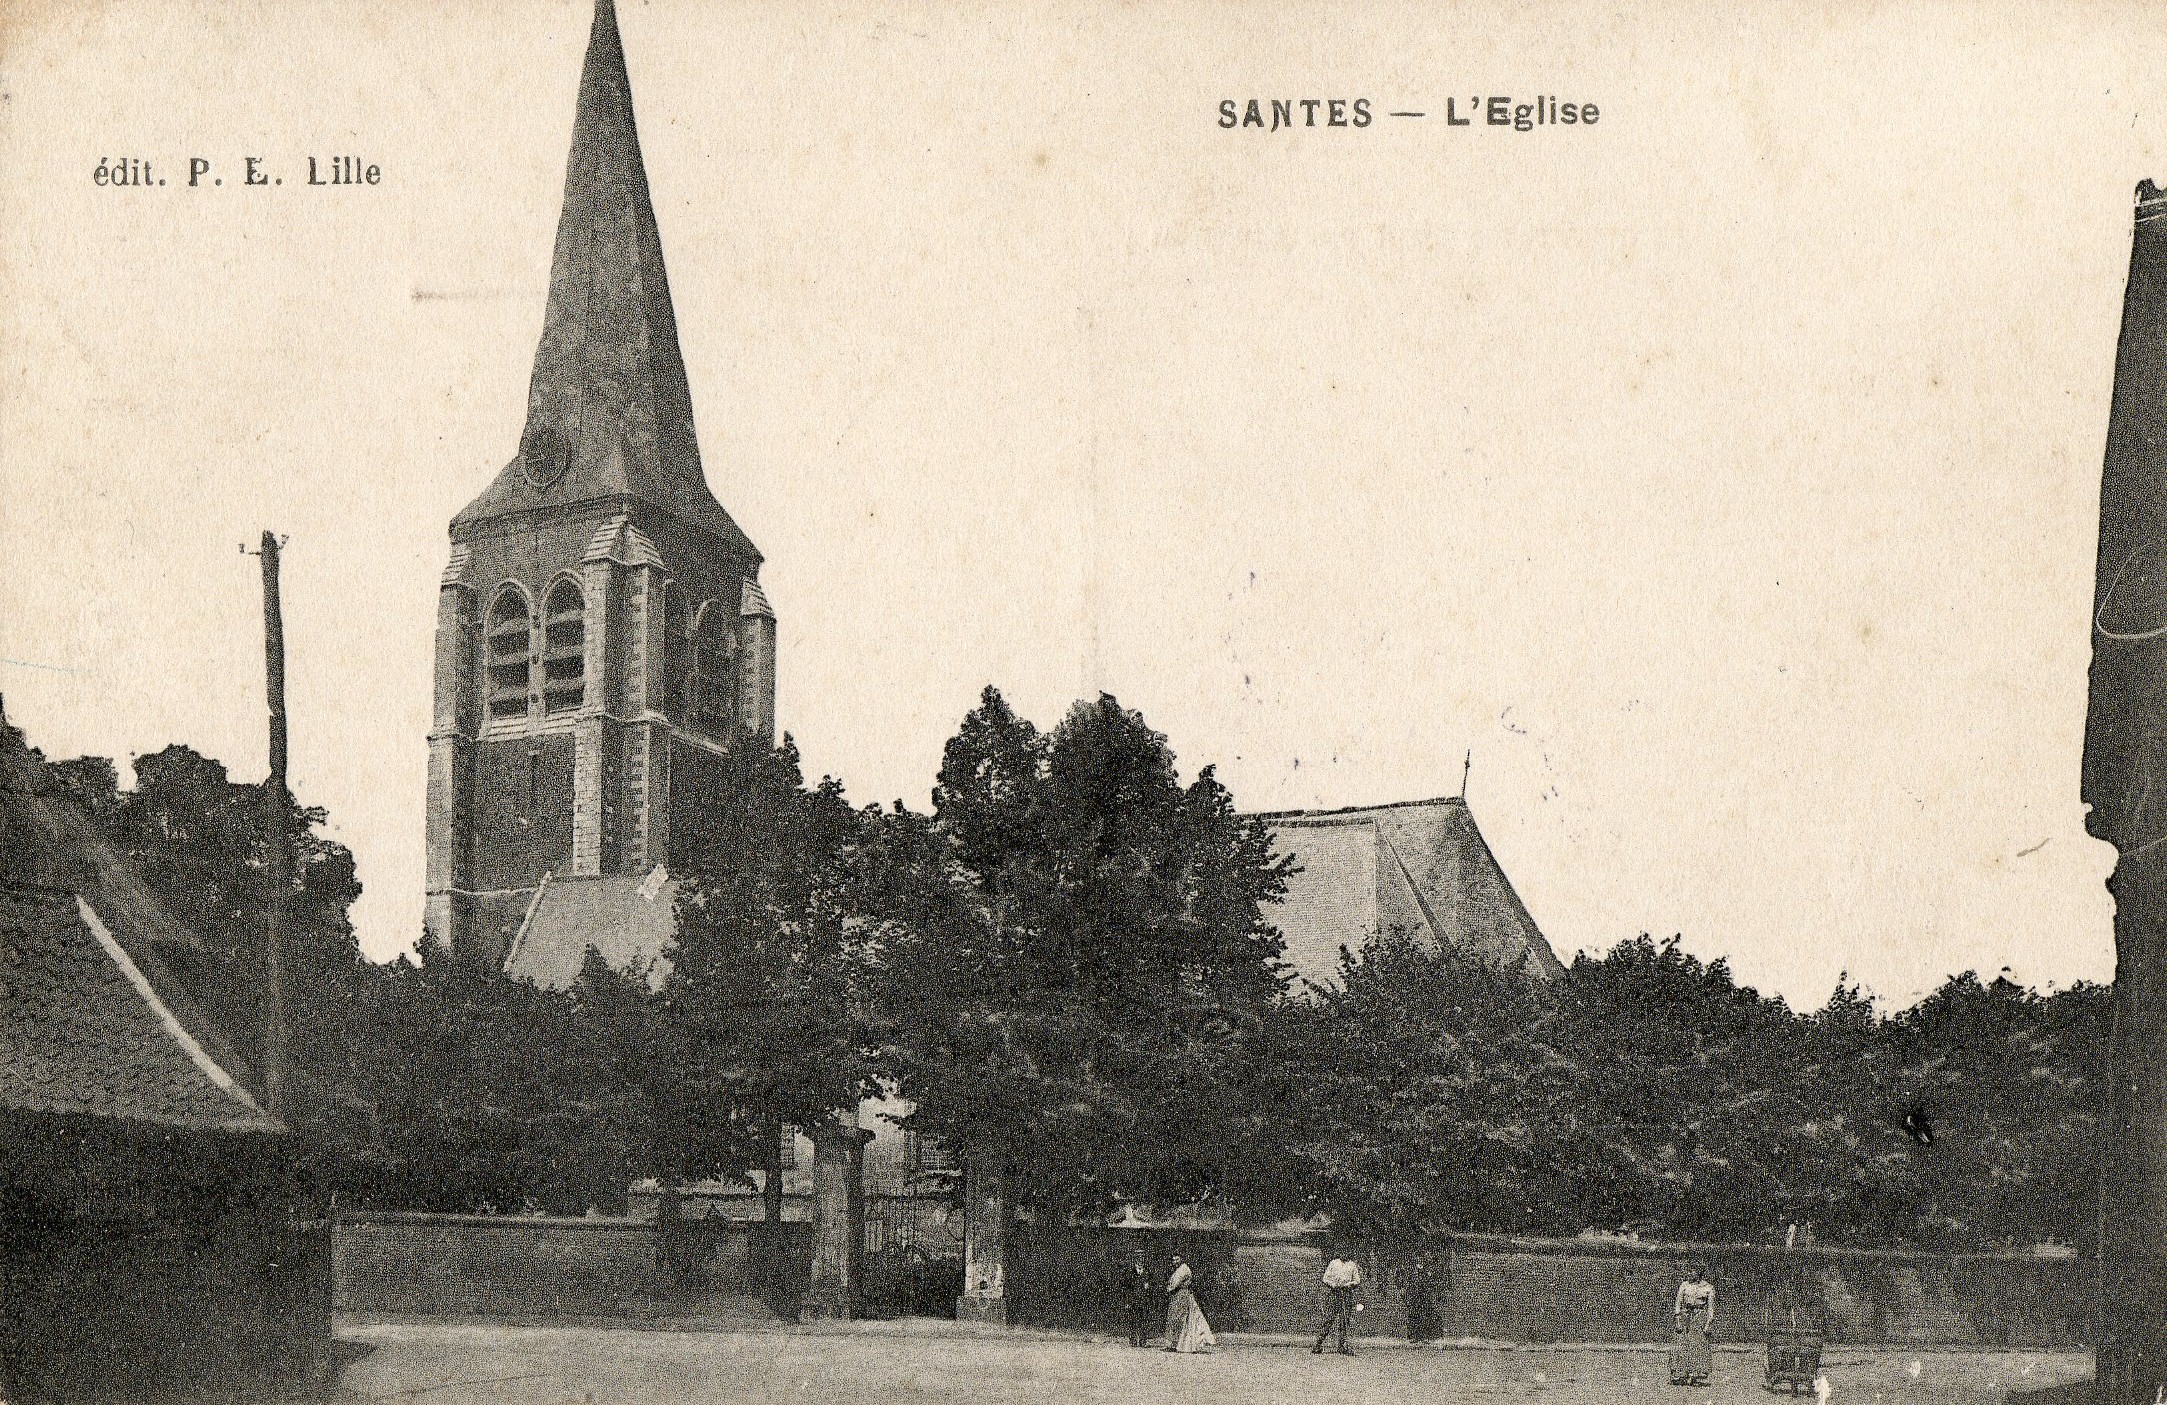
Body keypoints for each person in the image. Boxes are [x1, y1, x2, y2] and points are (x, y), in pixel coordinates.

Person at [1669, 1264, 1716, 1386]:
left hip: (1700, 1317)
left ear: (1699, 1273)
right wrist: (1678, 1319)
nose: (1689, 1273)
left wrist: (1708, 1324)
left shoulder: (1708, 1288)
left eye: (1692, 1271)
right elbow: (1678, 1304)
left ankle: (1696, 1374)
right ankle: (1680, 1373)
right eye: (1689, 1271)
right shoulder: (1684, 1285)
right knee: (1682, 1343)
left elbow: (1710, 1309)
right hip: (1685, 1315)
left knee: (1698, 1344)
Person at [1162, 1254, 1216, 1353]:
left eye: (1177, 1259)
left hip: (1183, 1296)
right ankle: (1175, 1343)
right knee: (1175, 1318)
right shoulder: (1178, 1269)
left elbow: (1174, 1284)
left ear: (1181, 1259)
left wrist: (1168, 1288)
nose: (1175, 1262)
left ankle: (1184, 1344)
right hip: (1177, 1296)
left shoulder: (1184, 1269)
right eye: (1173, 1260)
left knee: (1183, 1319)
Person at [1312, 1252, 1362, 1355]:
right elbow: (1325, 1278)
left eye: (1347, 1251)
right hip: (1334, 1294)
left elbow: (1357, 1280)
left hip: (1347, 1295)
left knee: (1344, 1321)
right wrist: (1333, 1285)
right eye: (1343, 1251)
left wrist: (1349, 1284)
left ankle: (1342, 1346)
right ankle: (1318, 1344)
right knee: (1329, 1320)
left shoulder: (1352, 1265)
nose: (1345, 1254)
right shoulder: (1333, 1263)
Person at [1122, 1247, 1156, 1347]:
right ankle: (1133, 1341)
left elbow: (1153, 1286)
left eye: (1142, 1258)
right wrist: (1127, 1302)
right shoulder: (1129, 1272)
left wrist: (1149, 1287)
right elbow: (1126, 1288)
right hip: (1133, 1301)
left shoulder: (1148, 1272)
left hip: (1144, 1301)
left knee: (1144, 1321)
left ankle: (1143, 1341)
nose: (1140, 1260)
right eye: (1138, 1258)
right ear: (1135, 1259)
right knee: (1132, 1321)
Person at [1405, 1254, 1441, 1344]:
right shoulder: (1413, 1271)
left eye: (1421, 1260)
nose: (1420, 1262)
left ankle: (1425, 1337)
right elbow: (1411, 1283)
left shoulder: (1426, 1270)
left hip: (1424, 1297)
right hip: (1416, 1297)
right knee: (1415, 1316)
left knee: (1425, 1316)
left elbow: (1430, 1283)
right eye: (1418, 1260)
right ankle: (1414, 1337)